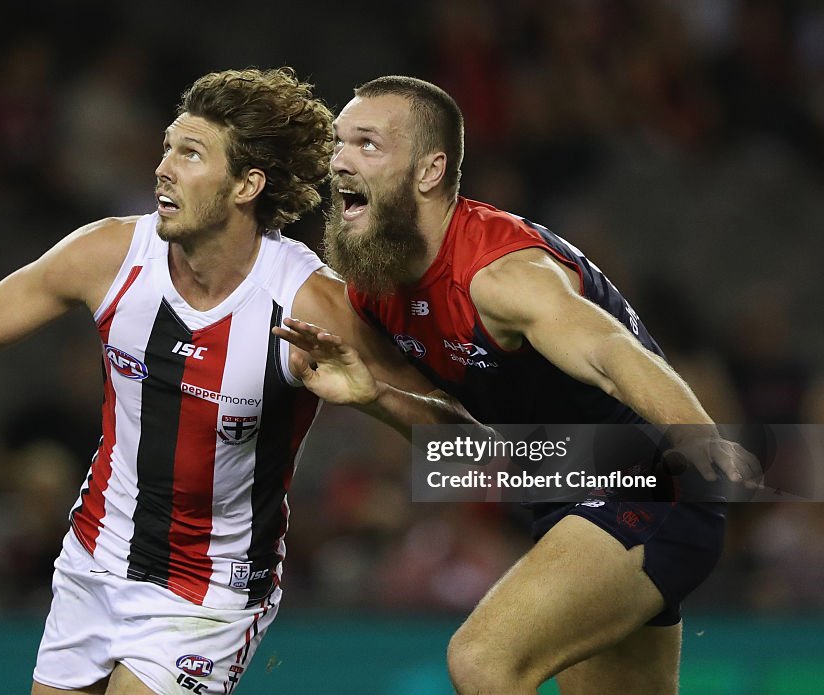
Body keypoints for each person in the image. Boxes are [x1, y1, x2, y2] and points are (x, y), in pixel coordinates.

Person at [0, 68, 472, 695]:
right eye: (167, 147)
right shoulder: (109, 256)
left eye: (190, 154)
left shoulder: (306, 303)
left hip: (208, 597)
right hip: (91, 564)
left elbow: (465, 438)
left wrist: (377, 399)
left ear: (246, 184)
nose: (162, 168)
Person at [317, 75, 760, 695]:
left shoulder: (501, 275)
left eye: (367, 143)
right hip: (568, 488)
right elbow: (478, 450)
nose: (340, 159)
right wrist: (376, 396)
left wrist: (703, 442)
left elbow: (611, 353)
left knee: (483, 659)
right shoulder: (380, 290)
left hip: (653, 479)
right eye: (339, 142)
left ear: (428, 171)